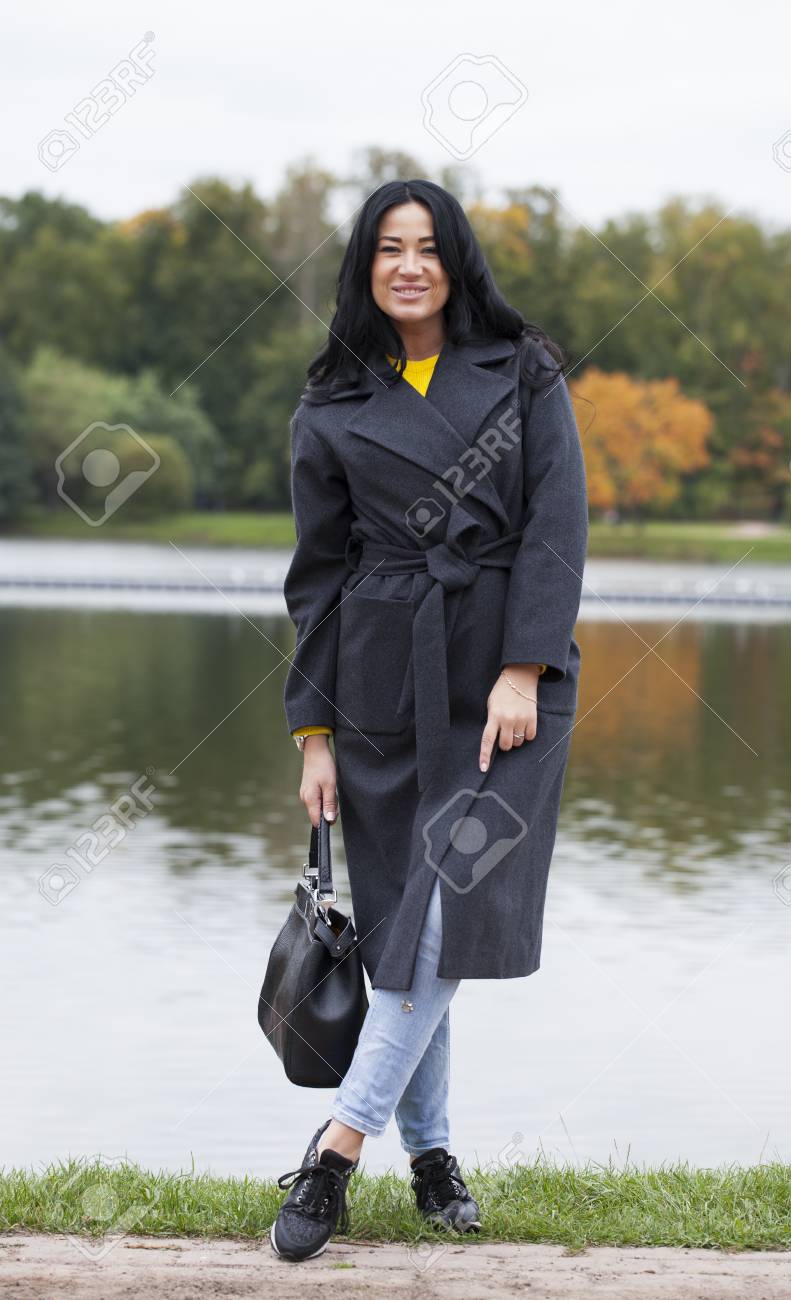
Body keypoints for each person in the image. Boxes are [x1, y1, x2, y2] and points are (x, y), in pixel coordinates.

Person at [271, 178, 588, 1262]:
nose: (409, 265)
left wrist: (521, 666)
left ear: (455, 262)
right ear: (365, 268)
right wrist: (312, 731)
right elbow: (314, 576)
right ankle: (435, 1158)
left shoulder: (522, 368)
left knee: (443, 912)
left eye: (428, 247)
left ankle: (334, 1149)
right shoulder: (330, 400)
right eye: (387, 249)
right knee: (409, 926)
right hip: (379, 680)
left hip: (506, 683)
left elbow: (555, 527)